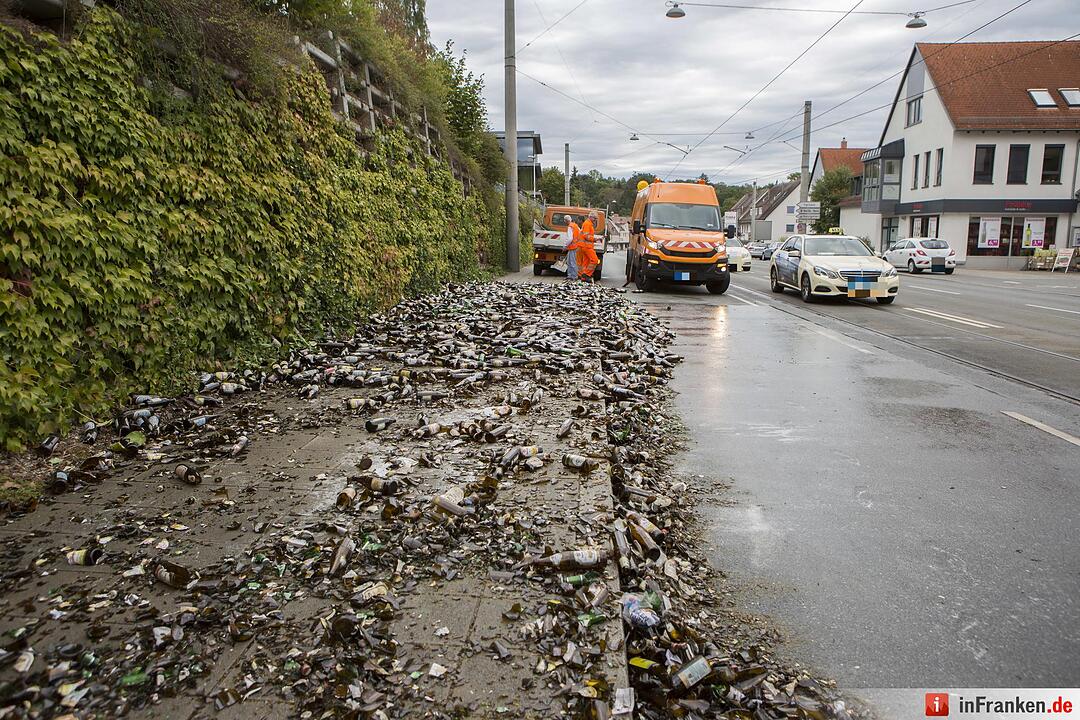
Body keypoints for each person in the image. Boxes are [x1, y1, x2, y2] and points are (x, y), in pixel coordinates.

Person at [575, 212, 601, 282]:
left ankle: (583, 277)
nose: (595, 220)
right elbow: (586, 236)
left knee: (585, 263)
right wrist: (595, 239)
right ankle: (586, 275)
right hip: (586, 247)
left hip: (585, 246)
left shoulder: (588, 224)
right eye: (595, 218)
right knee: (595, 260)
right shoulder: (587, 224)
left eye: (596, 219)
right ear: (590, 217)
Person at [563, 214, 579, 280]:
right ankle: (570, 275)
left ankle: (574, 276)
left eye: (564, 221)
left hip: (573, 247)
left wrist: (565, 246)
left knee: (572, 262)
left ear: (566, 221)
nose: (564, 222)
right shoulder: (575, 225)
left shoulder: (570, 227)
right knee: (569, 261)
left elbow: (570, 238)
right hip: (575, 246)